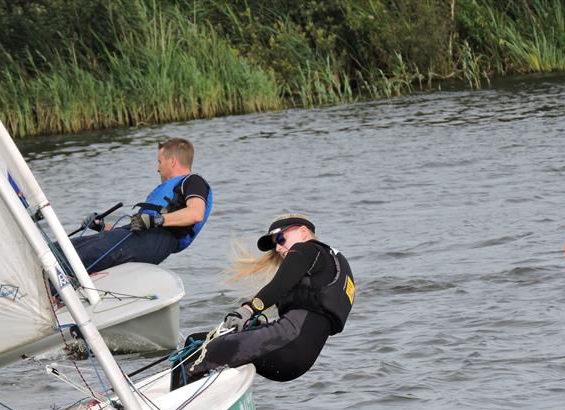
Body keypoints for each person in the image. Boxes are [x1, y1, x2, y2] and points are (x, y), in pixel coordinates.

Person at [182, 214, 354, 384]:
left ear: (302, 232)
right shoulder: (334, 264)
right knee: (196, 341)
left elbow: (279, 286)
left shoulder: (307, 249)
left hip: (288, 347)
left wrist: (247, 311)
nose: (278, 248)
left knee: (212, 349)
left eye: (281, 238)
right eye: (274, 244)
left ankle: (176, 405)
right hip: (297, 359)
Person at [69, 138, 212, 274]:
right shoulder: (168, 194)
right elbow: (132, 230)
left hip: (156, 241)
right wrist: (100, 227)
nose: (158, 168)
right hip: (142, 239)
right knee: (69, 246)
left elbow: (195, 213)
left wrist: (156, 220)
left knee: (77, 255)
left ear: (173, 161)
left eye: (159, 161)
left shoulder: (194, 181)